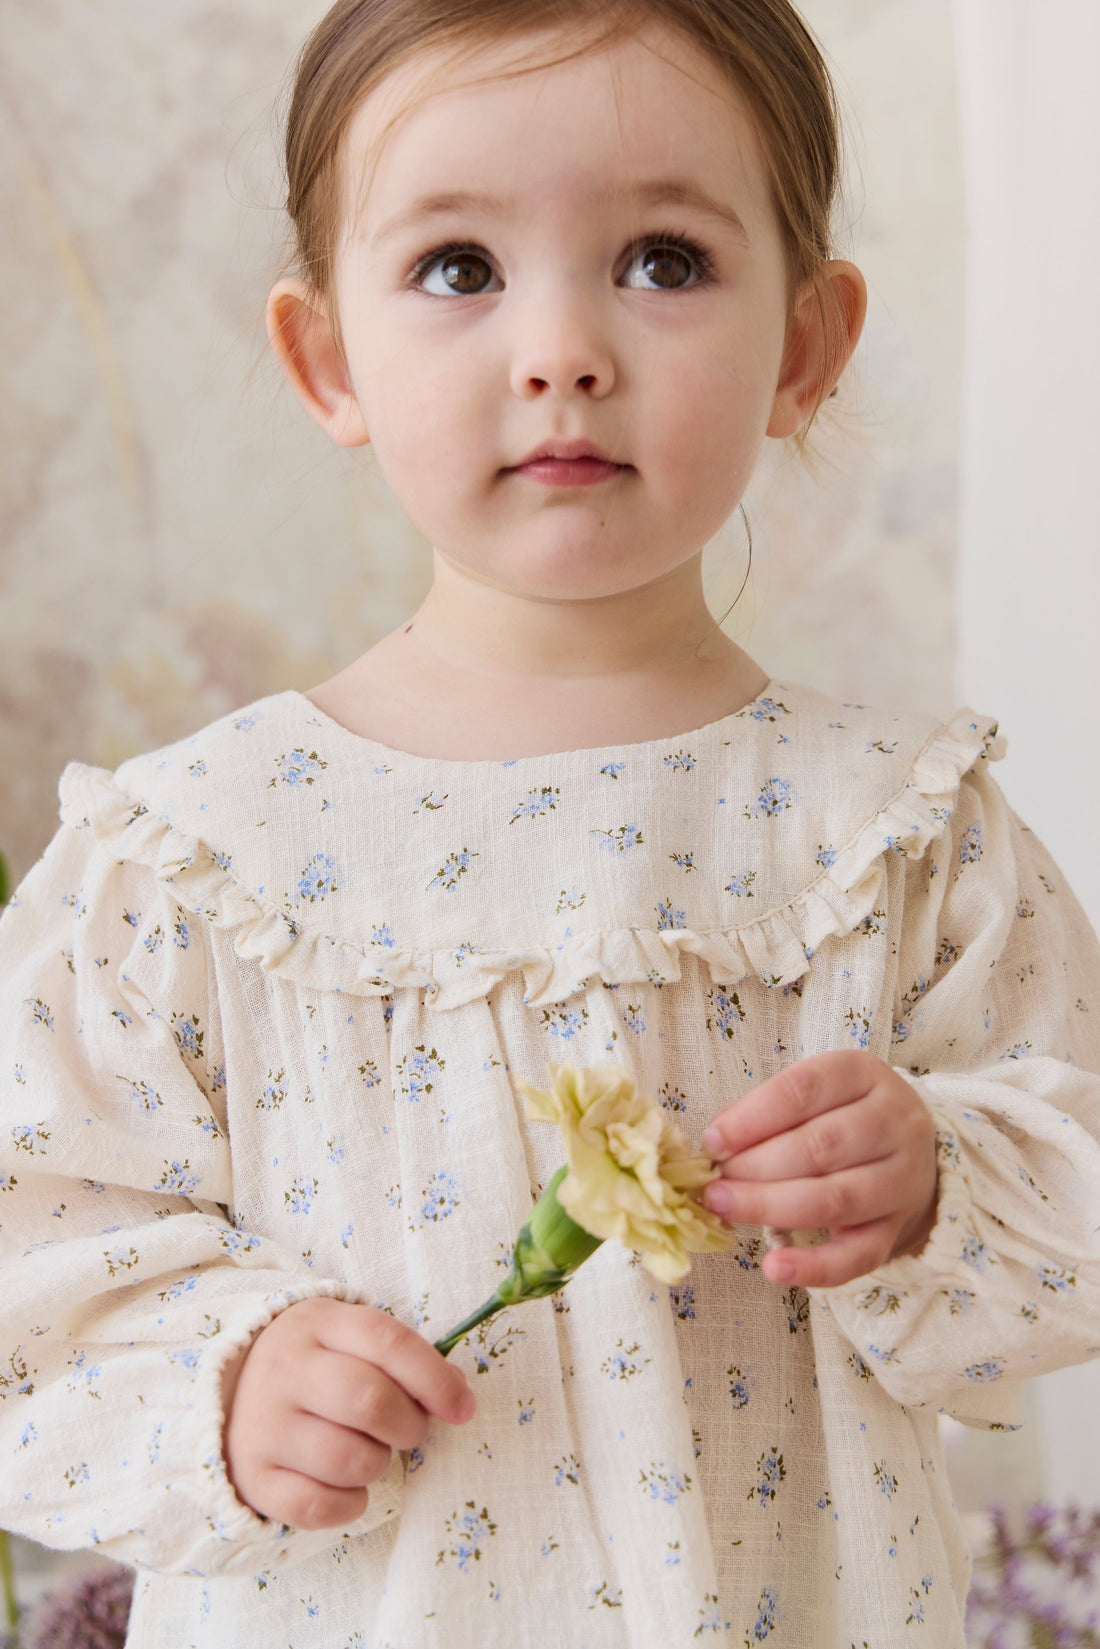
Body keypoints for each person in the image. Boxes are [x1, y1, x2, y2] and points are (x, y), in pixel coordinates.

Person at [1, 0, 1098, 1643]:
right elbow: (32, 1256)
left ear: (806, 347)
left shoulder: (898, 832)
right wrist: (225, 1379)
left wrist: (938, 1175)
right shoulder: (195, 859)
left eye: (664, 259)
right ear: (327, 359)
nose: (562, 348)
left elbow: (1075, 1184)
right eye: (459, 266)